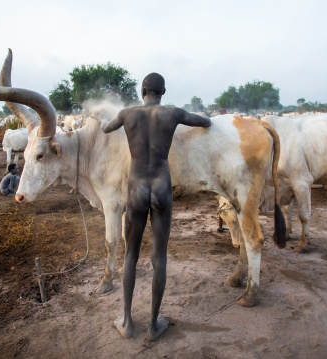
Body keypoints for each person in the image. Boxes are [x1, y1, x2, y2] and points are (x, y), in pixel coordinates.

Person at [101, 73, 211, 341]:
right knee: (159, 257)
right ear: (164, 91)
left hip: (136, 186)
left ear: (142, 91)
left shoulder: (127, 114)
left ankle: (126, 321)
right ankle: (153, 325)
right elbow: (205, 122)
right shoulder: (173, 113)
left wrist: (103, 117)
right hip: (161, 186)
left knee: (130, 255)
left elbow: (105, 128)